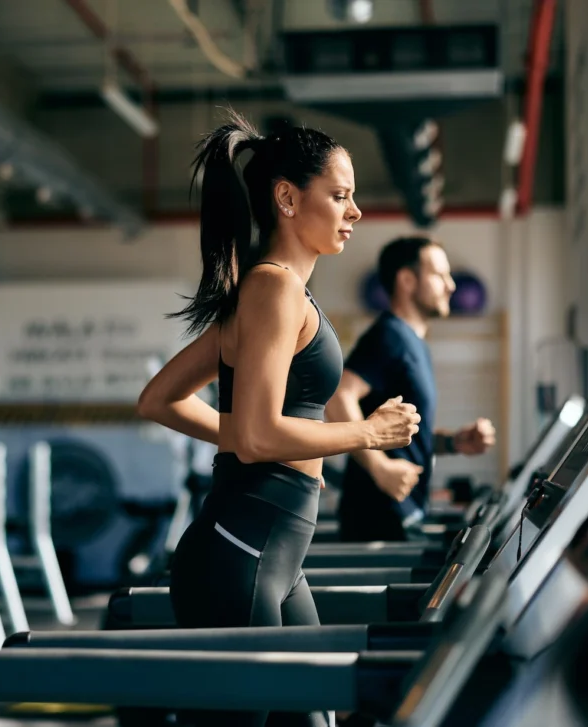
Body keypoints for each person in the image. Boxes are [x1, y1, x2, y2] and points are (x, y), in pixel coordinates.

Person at [136, 112, 421, 727]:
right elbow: (258, 434)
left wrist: (241, 432)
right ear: (288, 198)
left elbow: (163, 400)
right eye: (340, 195)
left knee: (315, 719)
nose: (355, 211)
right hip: (241, 551)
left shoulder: (276, 291)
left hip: (272, 558)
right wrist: (367, 433)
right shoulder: (272, 289)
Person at [326, 236, 496, 543]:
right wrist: (379, 467)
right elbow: (339, 397)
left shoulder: (413, 342)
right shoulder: (389, 336)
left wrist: (454, 442)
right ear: (407, 280)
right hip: (377, 518)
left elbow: (405, 435)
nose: (451, 286)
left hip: (403, 513)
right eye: (439, 275)